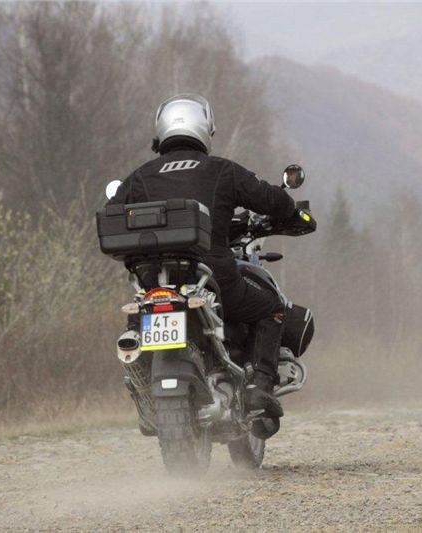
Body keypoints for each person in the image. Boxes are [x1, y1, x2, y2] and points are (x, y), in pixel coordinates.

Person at [108, 93, 297, 438]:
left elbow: (112, 213)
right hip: (215, 278)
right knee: (270, 307)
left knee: (135, 321)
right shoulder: (222, 170)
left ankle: (145, 387)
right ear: (204, 128)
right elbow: (271, 199)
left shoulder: (139, 177)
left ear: (162, 129)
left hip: (153, 282)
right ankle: (260, 387)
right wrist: (290, 208)